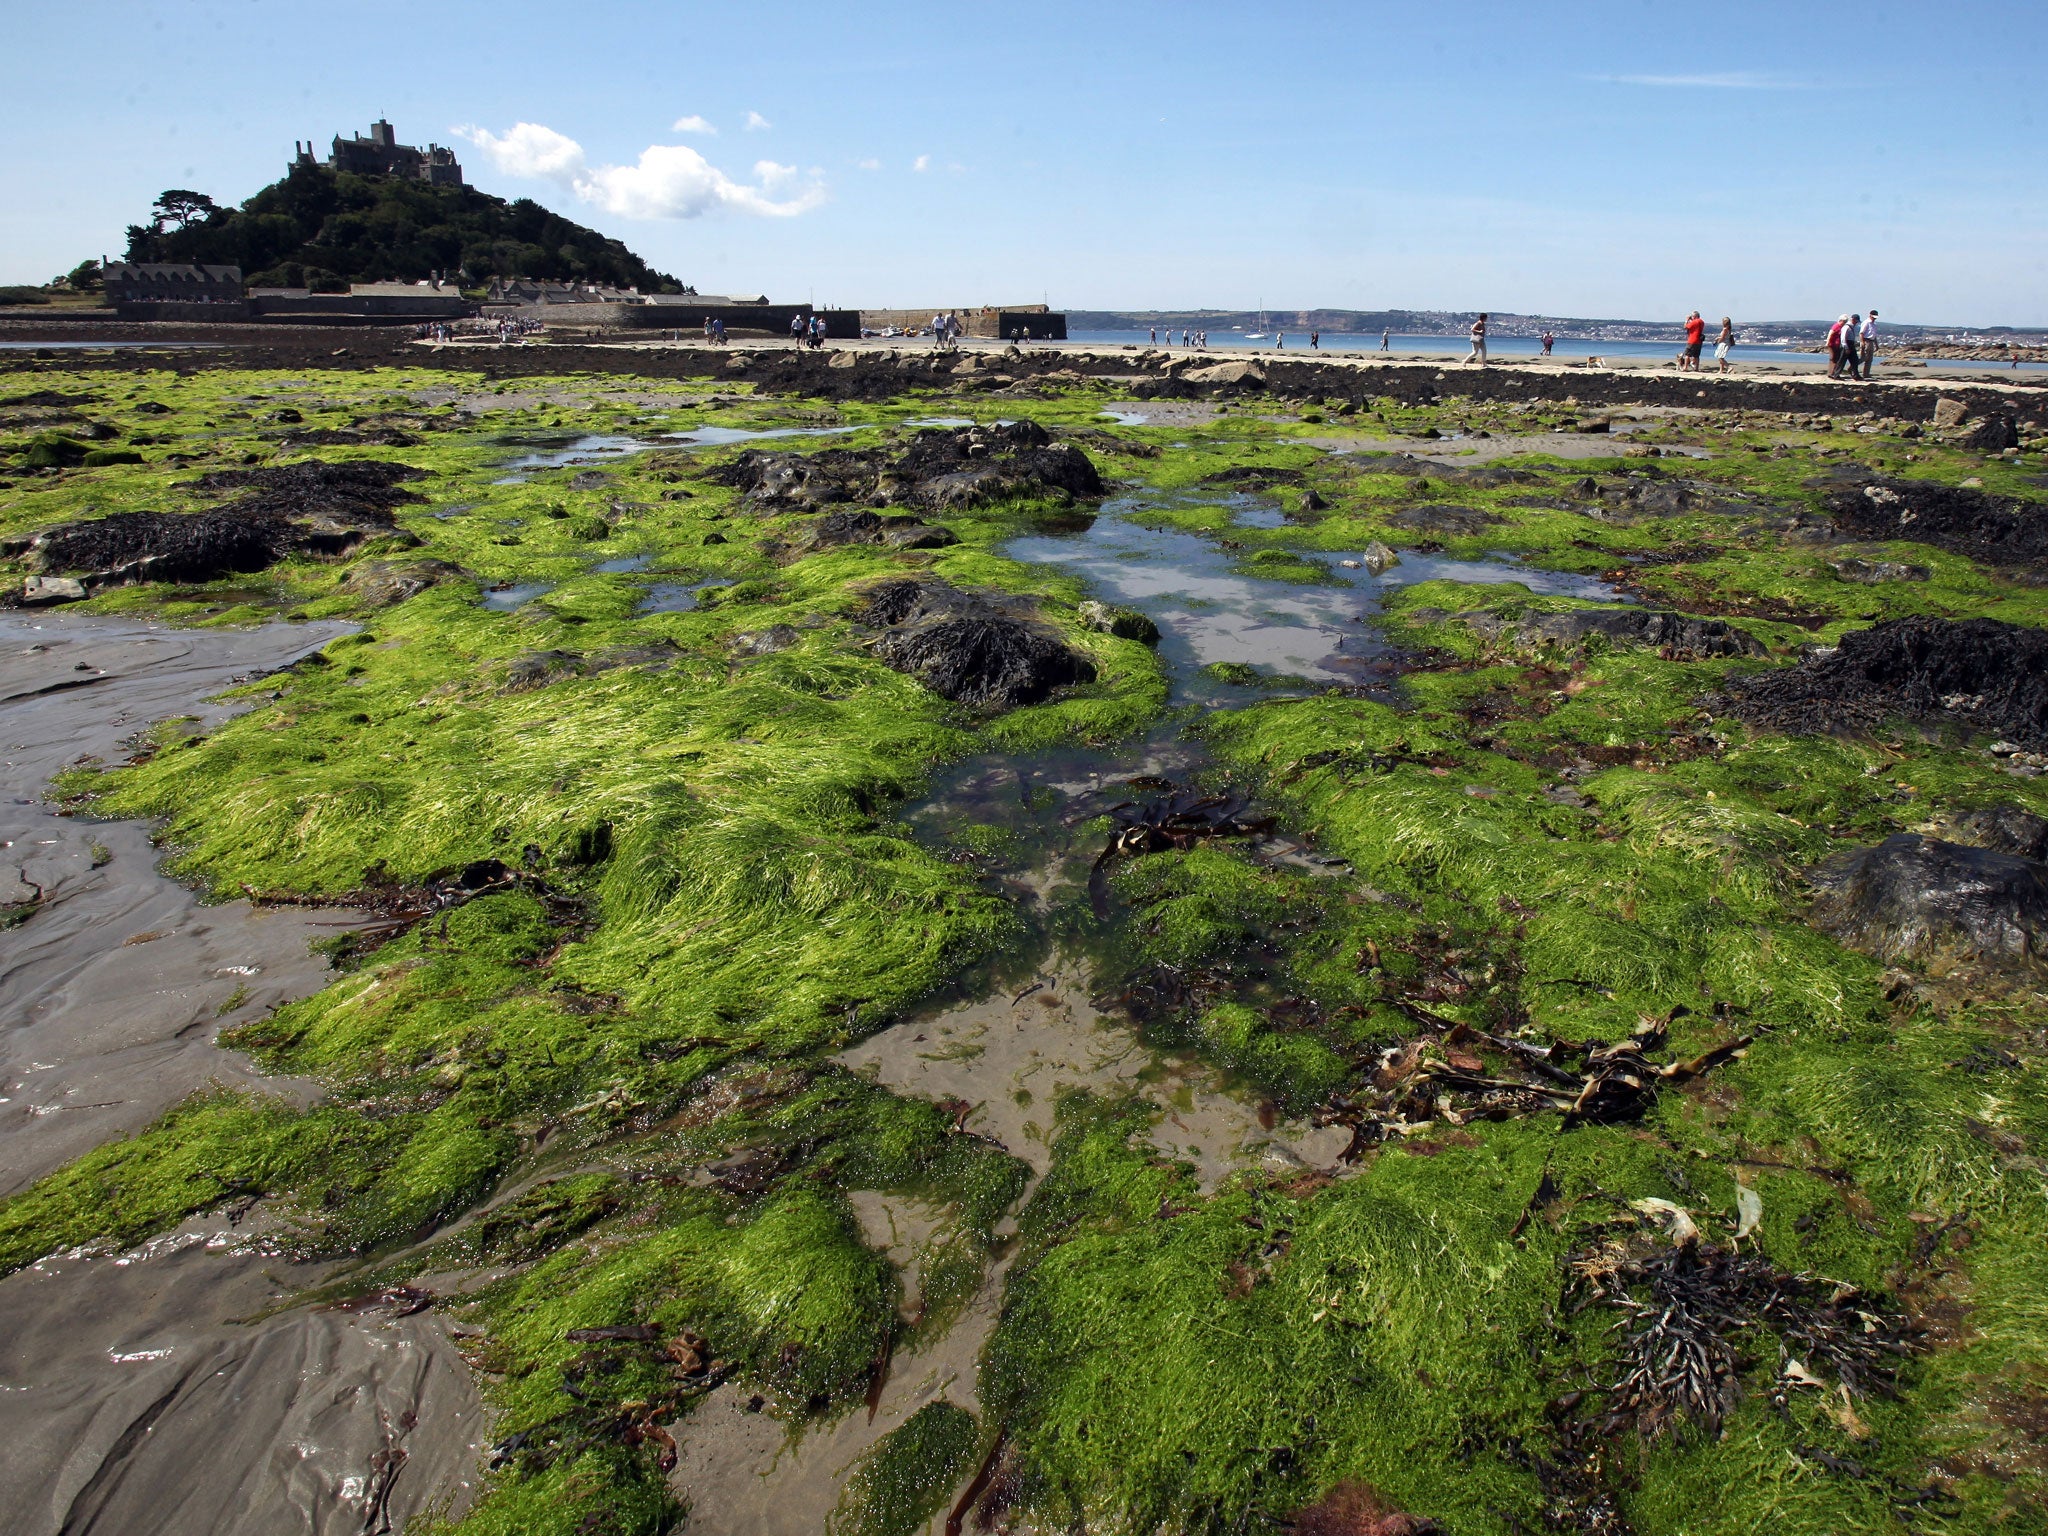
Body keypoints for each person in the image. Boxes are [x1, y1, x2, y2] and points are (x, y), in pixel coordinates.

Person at [1860, 310, 1879, 378]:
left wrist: (1876, 345)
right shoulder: (1866, 323)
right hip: (1866, 341)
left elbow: (1874, 335)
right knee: (1864, 357)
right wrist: (1862, 342)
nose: (1875, 318)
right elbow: (1861, 333)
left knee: (1869, 359)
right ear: (1870, 315)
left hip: (1871, 341)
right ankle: (1852, 368)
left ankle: (1866, 374)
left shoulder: (1874, 324)